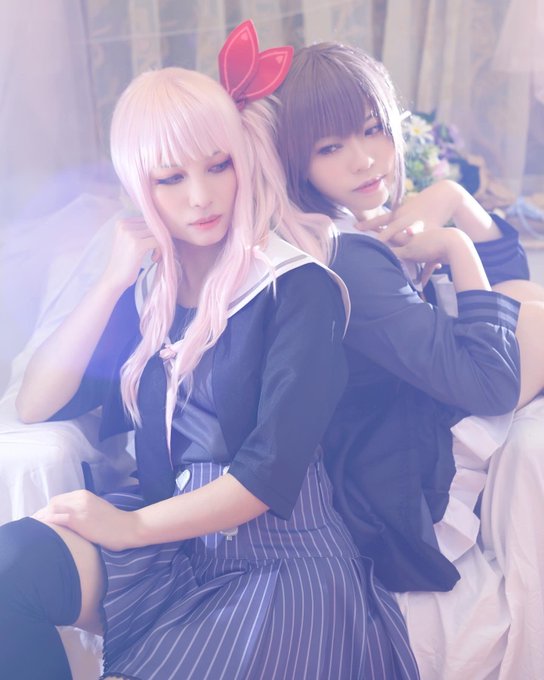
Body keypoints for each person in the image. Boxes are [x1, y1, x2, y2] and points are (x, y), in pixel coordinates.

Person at [0, 26, 420, 680]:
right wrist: (111, 281)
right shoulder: (149, 291)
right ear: (140, 186)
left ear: (242, 160)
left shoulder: (297, 287)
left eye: (218, 165)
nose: (200, 197)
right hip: (174, 547)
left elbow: (266, 477)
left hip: (281, 560)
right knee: (10, 564)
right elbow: (36, 401)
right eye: (170, 178)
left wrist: (129, 528)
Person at [266, 41, 544, 677]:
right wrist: (455, 247)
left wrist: (453, 198)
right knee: (533, 317)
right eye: (329, 147)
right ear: (296, 161)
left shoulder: (351, 221)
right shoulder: (345, 255)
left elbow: (510, 280)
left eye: (373, 130)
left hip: (393, 438)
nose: (363, 158)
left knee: (524, 302)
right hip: (394, 493)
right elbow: (490, 383)